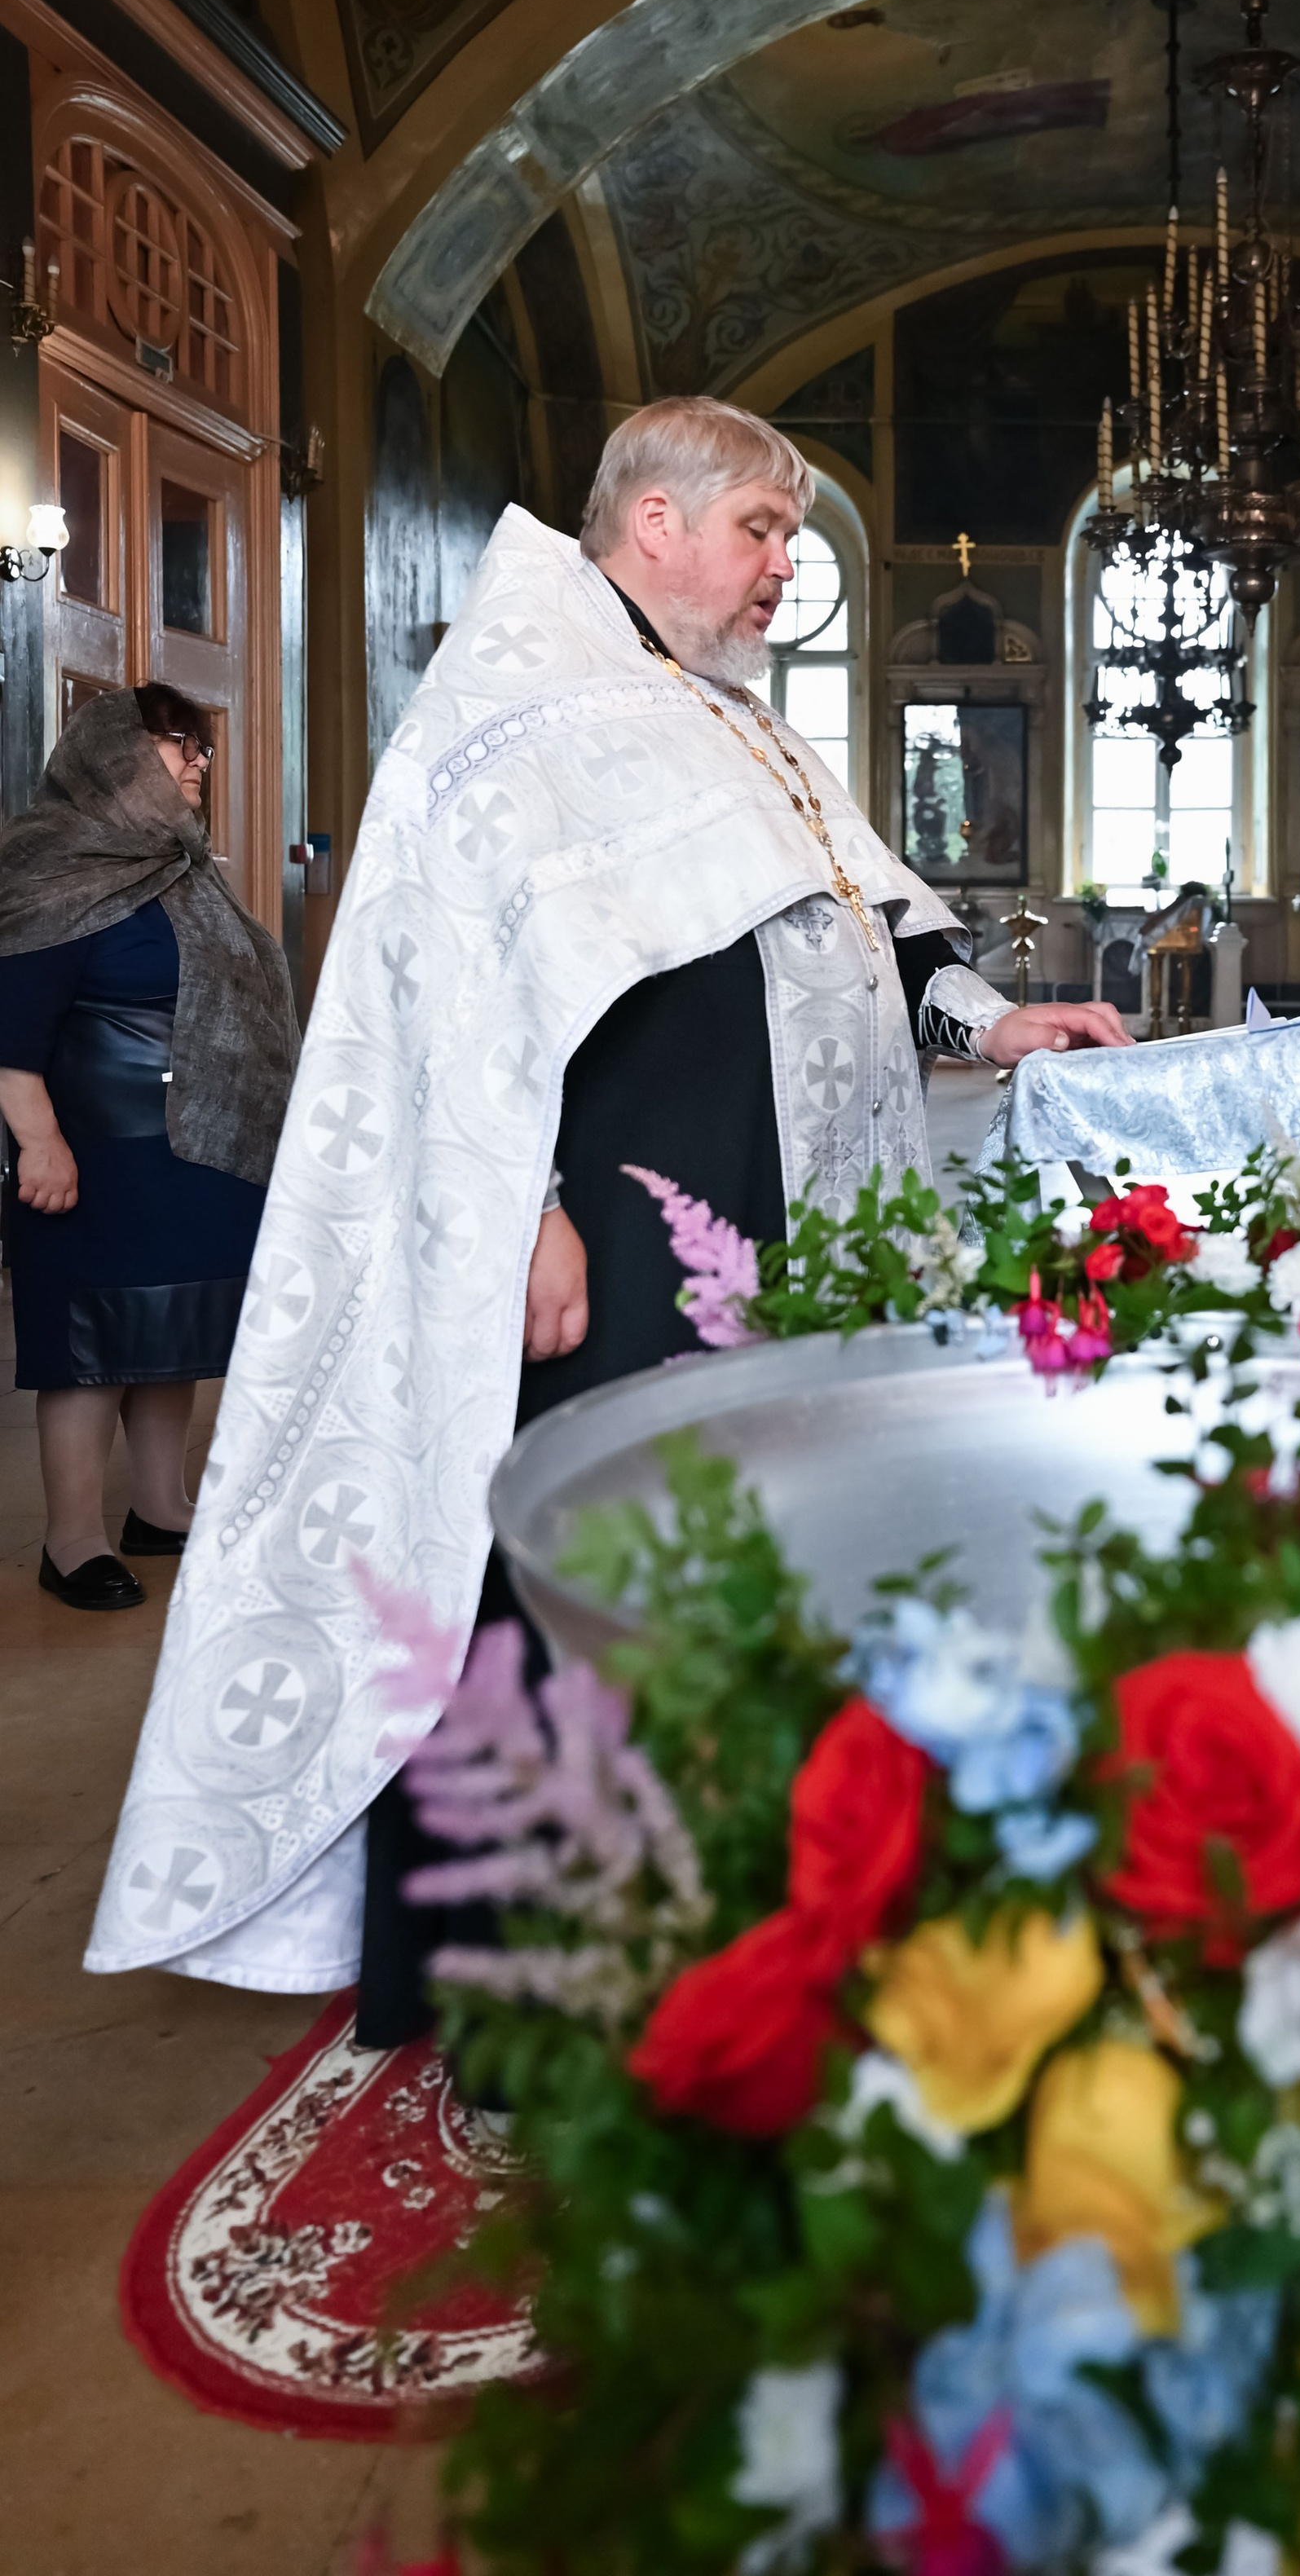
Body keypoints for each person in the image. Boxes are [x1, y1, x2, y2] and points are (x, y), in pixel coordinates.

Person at [86, 399, 1126, 2031]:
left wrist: (993, 1024)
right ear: (653, 520)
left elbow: (867, 922)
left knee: (731, 1555)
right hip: (619, 1229)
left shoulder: (726, 715)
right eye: (762, 530)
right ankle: (538, 1985)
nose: (786, 565)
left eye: (791, 533)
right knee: (588, 1560)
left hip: (764, 1218)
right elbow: (464, 991)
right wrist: (530, 1206)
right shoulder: (522, 709)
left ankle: (726, 1915)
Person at [0, 685, 299, 1609]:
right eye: (180, 743)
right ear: (113, 752)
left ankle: (162, 1508)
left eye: (202, 748)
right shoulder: (50, 865)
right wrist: (39, 1144)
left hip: (195, 1152)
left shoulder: (182, 868)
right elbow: (11, 1036)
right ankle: (75, 1537)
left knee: (171, 1338)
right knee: (90, 1353)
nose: (198, 761)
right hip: (92, 1156)